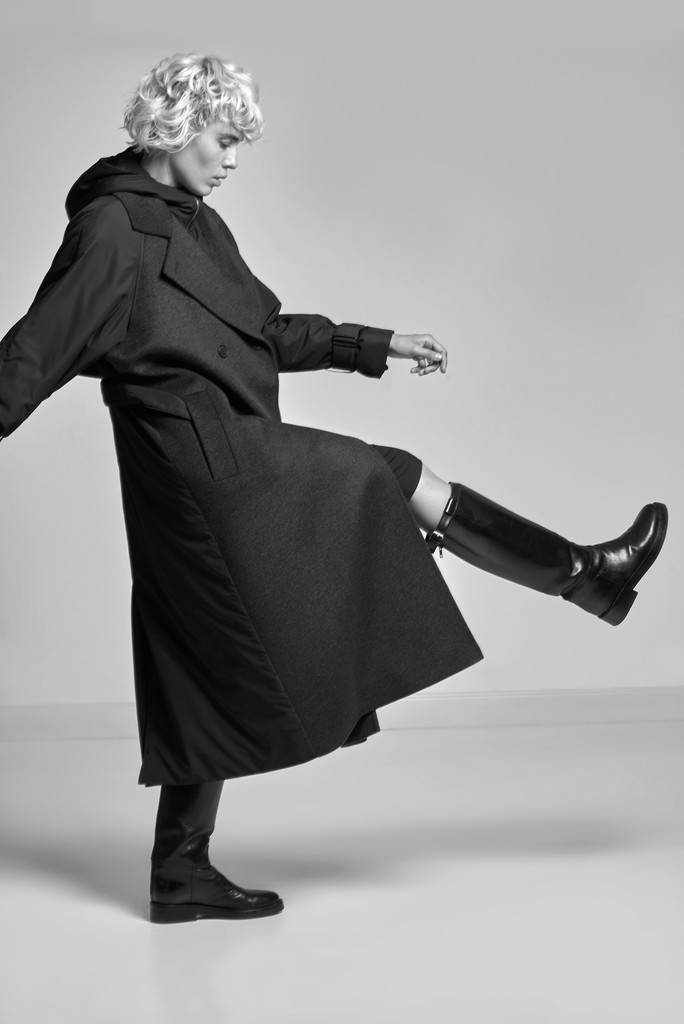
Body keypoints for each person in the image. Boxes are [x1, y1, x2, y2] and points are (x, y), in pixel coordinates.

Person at [0, 53, 667, 925]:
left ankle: (180, 874)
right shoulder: (114, 229)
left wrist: (373, 343)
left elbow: (265, 331)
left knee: (205, 658)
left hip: (219, 460)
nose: (233, 160)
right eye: (223, 140)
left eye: (239, 144)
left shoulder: (195, 221)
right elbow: (34, 353)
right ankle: (580, 572)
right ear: (175, 129)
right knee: (381, 475)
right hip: (199, 469)